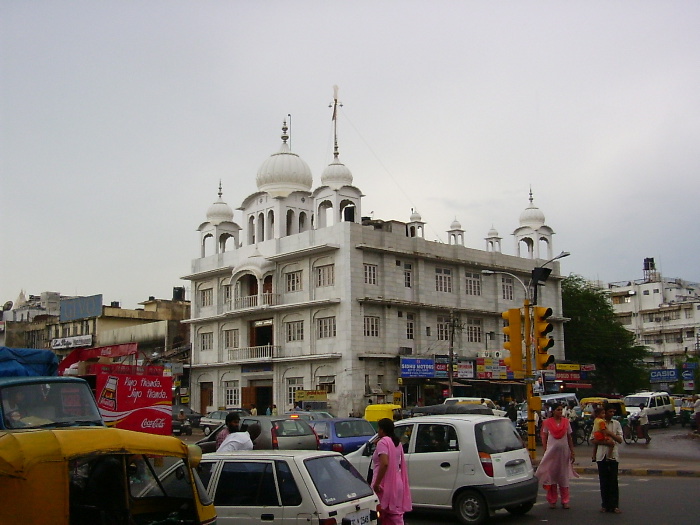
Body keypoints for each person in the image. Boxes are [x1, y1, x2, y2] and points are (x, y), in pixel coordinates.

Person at [535, 403, 578, 509]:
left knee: (563, 476)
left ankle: (565, 500)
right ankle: (552, 500)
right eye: (558, 410)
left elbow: (569, 437)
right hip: (551, 454)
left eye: (561, 410)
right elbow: (544, 437)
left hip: (563, 453)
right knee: (551, 477)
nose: (560, 412)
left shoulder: (566, 422)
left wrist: (572, 451)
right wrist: (545, 450)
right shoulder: (547, 423)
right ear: (553, 411)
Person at [371, 418, 412, 525]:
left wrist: (377, 483)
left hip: (385, 483)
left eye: (379, 428)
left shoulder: (383, 442)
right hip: (397, 482)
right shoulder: (397, 443)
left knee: (385, 513)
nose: (378, 431)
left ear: (382, 430)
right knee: (395, 514)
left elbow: (384, 463)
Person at [595, 405, 623, 513]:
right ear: (604, 413)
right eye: (609, 412)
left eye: (613, 412)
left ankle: (615, 505)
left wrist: (610, 433)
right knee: (604, 481)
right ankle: (605, 505)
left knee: (613, 481)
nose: (612, 414)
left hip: (613, 456)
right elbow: (593, 440)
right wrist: (605, 442)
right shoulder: (598, 423)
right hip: (601, 455)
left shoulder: (616, 424)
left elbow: (620, 439)